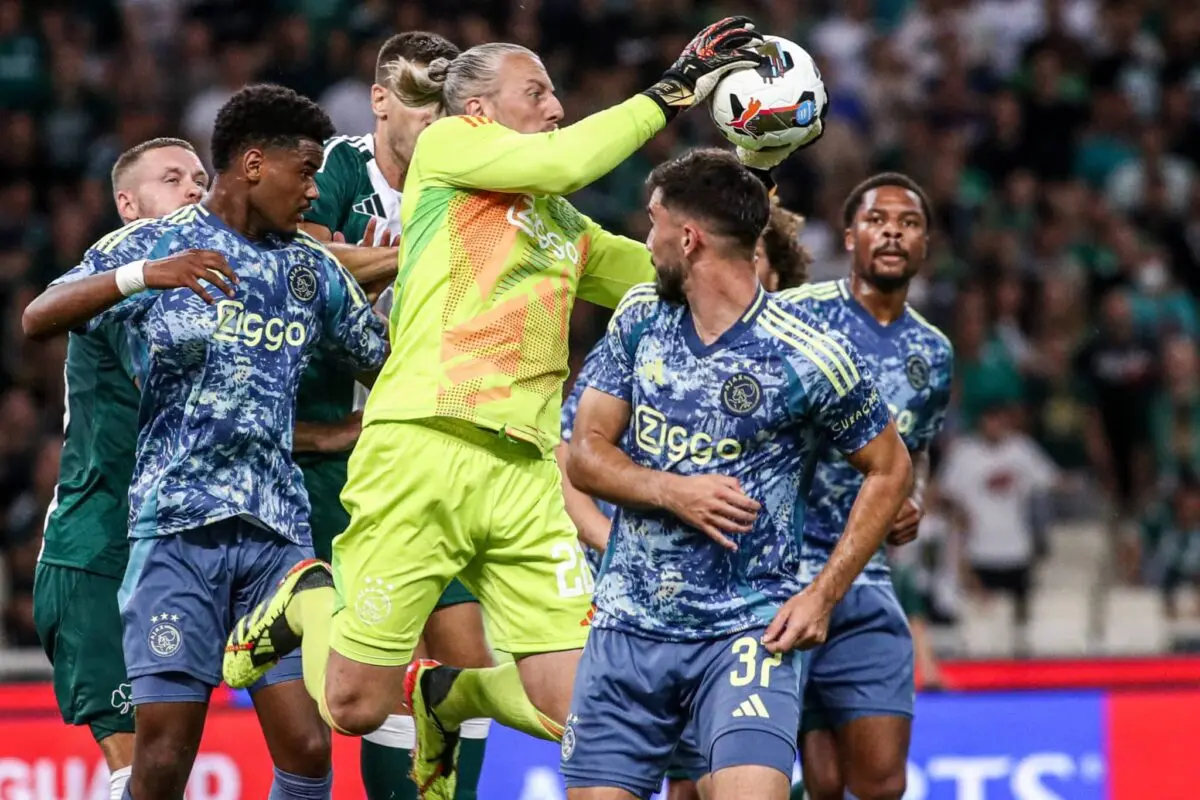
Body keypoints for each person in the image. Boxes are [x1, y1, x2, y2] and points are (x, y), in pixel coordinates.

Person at [223, 17, 774, 800]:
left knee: (589, 713)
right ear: (477, 108)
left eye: (554, 95)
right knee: (353, 707)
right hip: (424, 448)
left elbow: (669, 276)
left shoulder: (562, 225)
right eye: (536, 92)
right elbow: (568, 159)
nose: (556, 107)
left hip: (525, 477)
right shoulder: (448, 152)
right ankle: (309, 603)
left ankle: (451, 696)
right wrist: (671, 92)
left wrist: (747, 199)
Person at [22, 84, 388, 800]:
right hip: (178, 533)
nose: (315, 192)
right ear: (253, 164)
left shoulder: (310, 270)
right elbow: (38, 316)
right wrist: (144, 278)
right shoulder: (153, 244)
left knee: (310, 749)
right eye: (305, 172)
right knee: (163, 759)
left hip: (278, 536)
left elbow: (381, 361)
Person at [562, 148, 913, 800]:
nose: (647, 241)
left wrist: (821, 595)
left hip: (746, 635)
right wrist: (672, 491)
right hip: (625, 631)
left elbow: (890, 468)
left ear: (688, 238)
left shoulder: (809, 355)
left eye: (653, 223)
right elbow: (584, 454)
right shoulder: (640, 317)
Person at [295, 31, 494, 800]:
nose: (431, 122)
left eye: (444, 108)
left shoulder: (467, 185)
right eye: (418, 105)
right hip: (336, 459)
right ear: (379, 100)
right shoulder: (337, 169)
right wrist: (423, 254)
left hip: (430, 446)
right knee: (379, 670)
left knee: (467, 653)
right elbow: (310, 260)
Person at [557, 200, 812, 800]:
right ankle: (460, 693)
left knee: (711, 781)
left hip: (740, 619)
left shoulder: (799, 361)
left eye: (759, 261)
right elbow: (573, 458)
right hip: (631, 606)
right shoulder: (644, 329)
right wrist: (608, 538)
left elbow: (878, 463)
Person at [31, 137, 209, 800]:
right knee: (137, 767)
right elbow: (39, 313)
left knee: (166, 772)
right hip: (97, 549)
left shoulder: (207, 289)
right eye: (173, 178)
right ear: (128, 205)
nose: (194, 188)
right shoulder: (112, 277)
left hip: (175, 548)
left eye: (200, 178)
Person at [778, 172, 954, 800]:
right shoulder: (798, 315)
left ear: (925, 243)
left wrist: (914, 496)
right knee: (817, 781)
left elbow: (918, 449)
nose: (892, 233)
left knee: (881, 783)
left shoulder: (933, 351)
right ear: (850, 236)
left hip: (867, 581)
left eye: (908, 223)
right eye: (877, 220)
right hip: (780, 576)